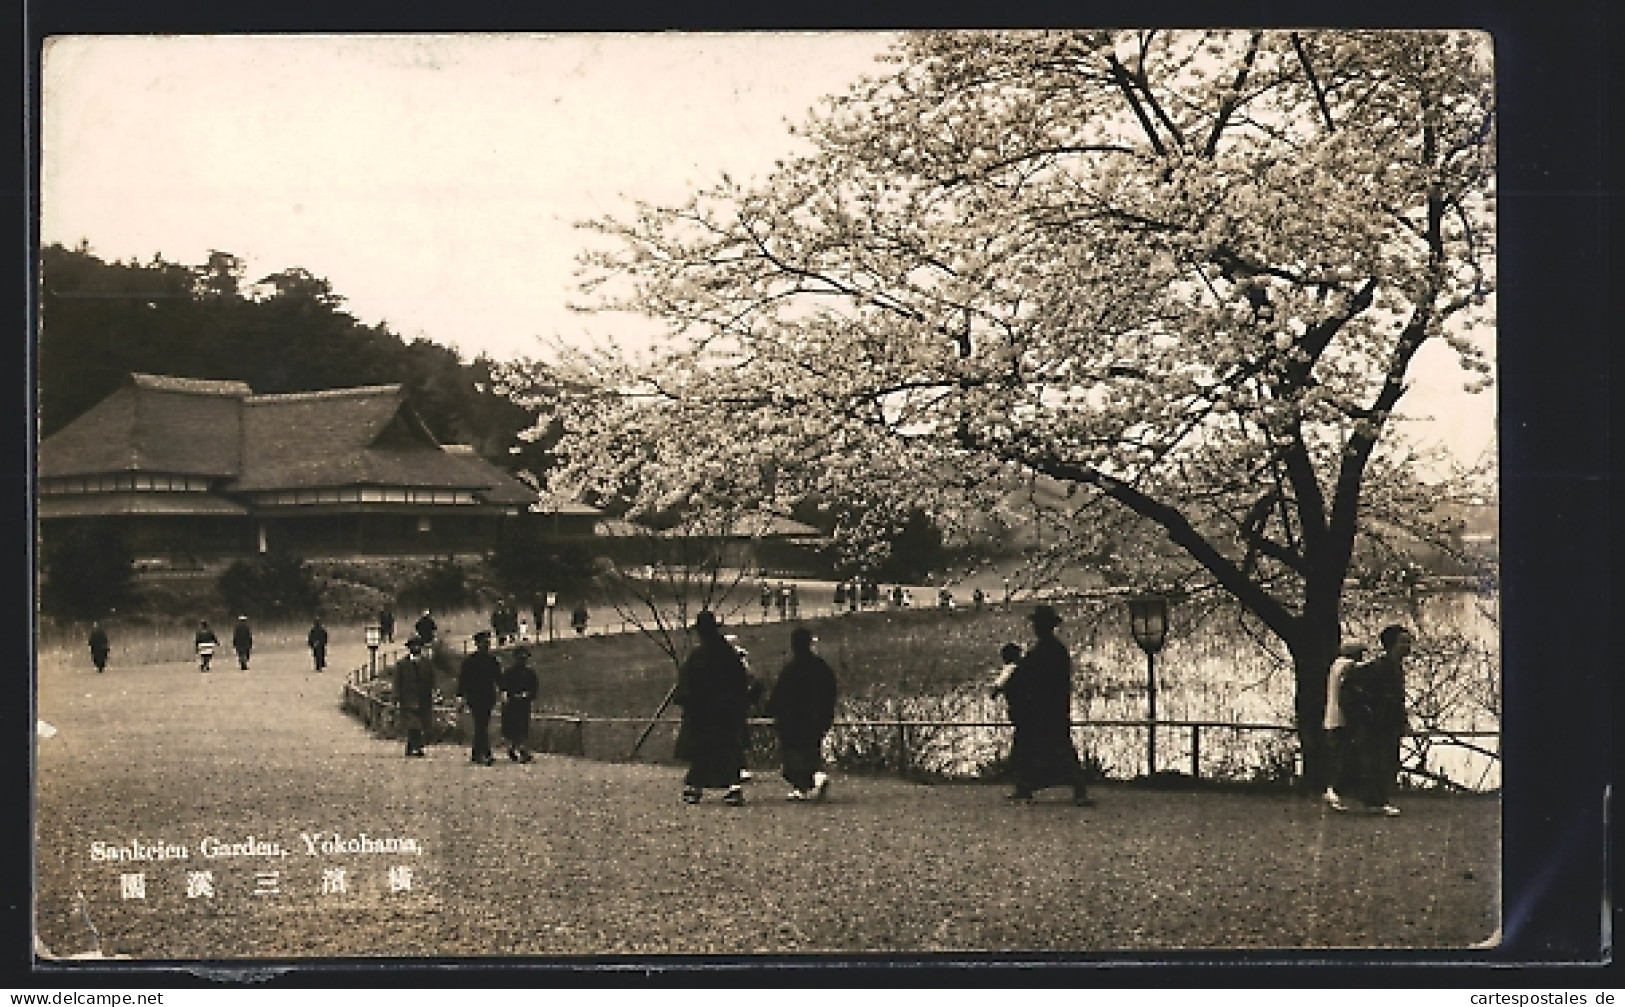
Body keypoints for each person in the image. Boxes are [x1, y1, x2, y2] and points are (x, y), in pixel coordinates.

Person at [1001, 605, 1093, 806]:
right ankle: (1027, 786)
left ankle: (1075, 788)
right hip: (1051, 708)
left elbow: (1027, 676)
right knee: (1048, 747)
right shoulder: (1054, 650)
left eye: (1036, 624)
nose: (1034, 628)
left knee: (1048, 747)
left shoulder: (1044, 651)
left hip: (1046, 709)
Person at [672, 610, 752, 806]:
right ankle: (733, 787)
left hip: (702, 712)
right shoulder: (729, 655)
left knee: (702, 750)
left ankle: (695, 787)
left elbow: (686, 684)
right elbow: (741, 681)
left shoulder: (697, 656)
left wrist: (686, 700)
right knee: (728, 749)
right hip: (726, 710)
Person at [1339, 625, 1412, 816]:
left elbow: (1397, 698)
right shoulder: (1378, 667)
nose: (1407, 646)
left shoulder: (1396, 668)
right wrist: (1365, 711)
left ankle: (1377, 799)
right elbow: (1350, 686)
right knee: (1378, 761)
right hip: (1377, 723)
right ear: (1391, 645)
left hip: (1390, 723)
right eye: (1403, 642)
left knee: (1388, 761)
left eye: (1408, 641)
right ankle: (1376, 801)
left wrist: (1402, 719)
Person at [765, 627, 838, 802]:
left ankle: (809, 782)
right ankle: (810, 782)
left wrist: (771, 710)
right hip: (816, 718)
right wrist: (827, 713)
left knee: (792, 757)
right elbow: (831, 691)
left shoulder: (790, 670)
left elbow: (779, 695)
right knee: (811, 751)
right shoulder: (821, 667)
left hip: (793, 721)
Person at [1321, 642, 1368, 812]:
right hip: (1342, 719)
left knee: (1337, 755)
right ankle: (1334, 791)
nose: (1362, 657)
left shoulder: (1334, 667)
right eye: (1360, 653)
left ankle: (1335, 791)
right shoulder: (1348, 666)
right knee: (1345, 756)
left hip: (1330, 718)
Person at [457, 631, 502, 766]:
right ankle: (485, 753)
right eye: (483, 643)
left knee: (482, 724)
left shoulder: (492, 660)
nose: (486, 645)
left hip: (488, 697)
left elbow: (498, 678)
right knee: (481, 724)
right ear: (477, 644)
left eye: (487, 643)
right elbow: (463, 680)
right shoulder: (469, 661)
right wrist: (460, 696)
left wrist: (503, 690)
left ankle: (476, 753)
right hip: (474, 698)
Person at [395, 636, 436, 757]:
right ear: (409, 648)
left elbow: (431, 680)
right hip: (408, 698)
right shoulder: (402, 664)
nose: (416, 648)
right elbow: (397, 681)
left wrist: (434, 692)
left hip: (423, 698)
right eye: (413, 646)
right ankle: (417, 747)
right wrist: (396, 697)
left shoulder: (427, 663)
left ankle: (411, 746)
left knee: (421, 723)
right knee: (413, 724)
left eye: (418, 646)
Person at [500, 646, 539, 762]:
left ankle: (522, 750)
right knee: (513, 727)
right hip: (512, 704)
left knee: (523, 727)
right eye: (520, 658)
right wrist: (508, 696)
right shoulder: (508, 673)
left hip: (524, 704)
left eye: (524, 658)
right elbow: (504, 687)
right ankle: (514, 748)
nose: (522, 660)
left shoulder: (530, 674)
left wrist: (527, 695)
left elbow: (534, 689)